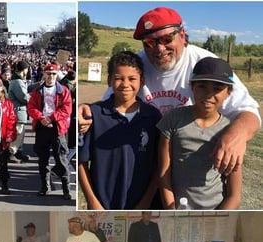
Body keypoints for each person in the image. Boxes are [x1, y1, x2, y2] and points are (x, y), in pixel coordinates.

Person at [79, 6, 261, 177]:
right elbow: (110, 103)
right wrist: (86, 109)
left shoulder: (205, 64)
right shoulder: (137, 66)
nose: (159, 48)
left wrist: (235, 135)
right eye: (150, 42)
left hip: (192, 162)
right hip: (146, 159)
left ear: (182, 35)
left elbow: (248, 110)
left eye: (167, 39)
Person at [78, 51, 162, 210]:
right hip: (102, 207)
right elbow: (81, 162)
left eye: (132, 79)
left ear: (142, 81)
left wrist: (146, 202)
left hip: (141, 206)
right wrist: (93, 202)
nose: (125, 84)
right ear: (109, 80)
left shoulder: (152, 117)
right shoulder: (94, 115)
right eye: (118, 78)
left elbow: (159, 165)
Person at [158, 57, 242, 209]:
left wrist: (219, 219)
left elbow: (234, 195)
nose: (209, 95)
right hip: (178, 209)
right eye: (202, 86)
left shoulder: (230, 132)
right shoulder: (173, 119)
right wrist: (171, 211)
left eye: (217, 88)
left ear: (228, 92)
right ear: (192, 87)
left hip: (215, 211)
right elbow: (164, 173)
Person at [28, 63, 72, 200]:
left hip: (57, 128)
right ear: (44, 75)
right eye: (48, 74)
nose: (51, 76)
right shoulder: (37, 91)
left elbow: (66, 109)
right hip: (42, 128)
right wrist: (41, 118)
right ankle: (44, 186)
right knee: (43, 159)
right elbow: (31, 107)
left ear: (57, 75)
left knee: (61, 159)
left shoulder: (63, 90)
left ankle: (66, 188)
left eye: (53, 74)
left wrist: (51, 118)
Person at [8, 60, 30, 163]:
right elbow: (24, 97)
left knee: (20, 134)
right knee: (18, 133)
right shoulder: (17, 81)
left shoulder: (18, 80)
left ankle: (18, 152)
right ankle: (11, 153)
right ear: (24, 69)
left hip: (19, 111)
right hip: (18, 111)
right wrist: (33, 99)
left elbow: (25, 90)